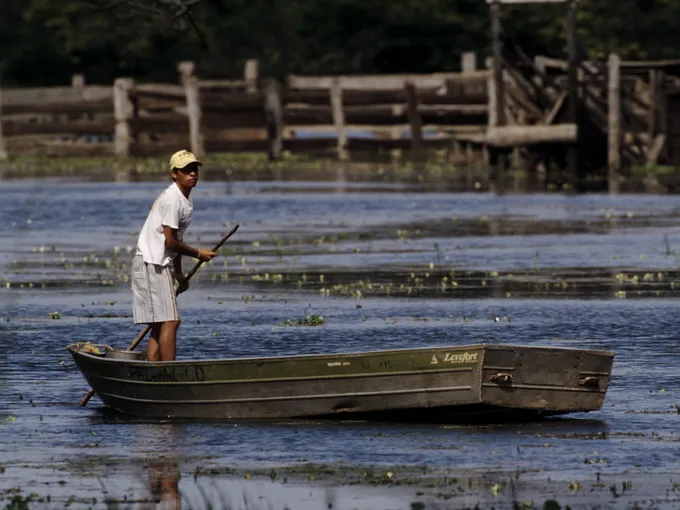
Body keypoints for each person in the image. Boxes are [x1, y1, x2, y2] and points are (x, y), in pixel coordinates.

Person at [131, 150, 216, 362]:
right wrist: (198, 253)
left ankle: (154, 372)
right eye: (186, 170)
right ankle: (168, 372)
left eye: (194, 169)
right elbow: (170, 242)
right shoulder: (172, 200)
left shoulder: (183, 201)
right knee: (170, 321)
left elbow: (175, 241)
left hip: (157, 262)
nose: (192, 174)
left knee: (161, 322)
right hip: (152, 262)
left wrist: (179, 274)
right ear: (174, 174)